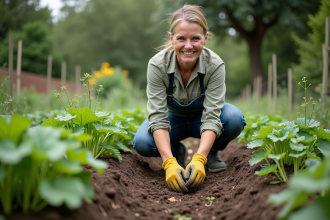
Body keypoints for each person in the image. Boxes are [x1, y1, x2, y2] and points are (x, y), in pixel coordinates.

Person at [133, 4, 246, 193]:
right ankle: (176, 152)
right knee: (143, 143)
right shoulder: (157, 65)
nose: (188, 45)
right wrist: (168, 163)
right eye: (181, 39)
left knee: (234, 118)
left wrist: (199, 157)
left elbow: (212, 116)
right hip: (173, 120)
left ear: (205, 38)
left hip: (203, 118)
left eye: (195, 38)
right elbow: (158, 117)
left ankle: (209, 153)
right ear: (171, 38)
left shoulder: (215, 65)